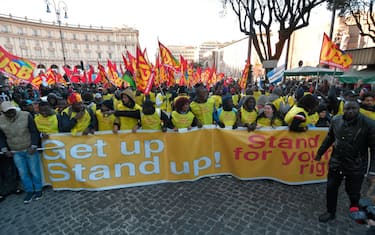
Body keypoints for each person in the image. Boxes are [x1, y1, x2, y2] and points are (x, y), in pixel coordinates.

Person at [314, 100, 375, 222]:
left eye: (353, 108)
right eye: (348, 108)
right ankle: (330, 212)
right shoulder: (336, 120)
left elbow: (374, 149)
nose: (350, 111)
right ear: (344, 109)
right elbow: (330, 138)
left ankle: (355, 208)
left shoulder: (369, 124)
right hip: (337, 162)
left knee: (353, 191)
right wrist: (320, 152)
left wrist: (372, 171)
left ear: (358, 109)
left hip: (356, 164)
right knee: (331, 188)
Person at [0, 101, 43, 204]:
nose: (11, 113)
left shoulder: (26, 115)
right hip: (15, 151)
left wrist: (33, 145)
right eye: (8, 112)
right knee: (23, 173)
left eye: (12, 111)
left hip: (29, 148)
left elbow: (33, 131)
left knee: (34, 171)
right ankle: (29, 191)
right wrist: (4, 149)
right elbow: (1, 137)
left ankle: (38, 190)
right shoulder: (0, 121)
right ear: (3, 112)